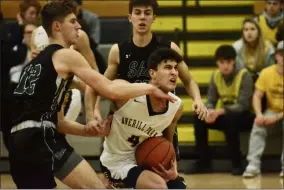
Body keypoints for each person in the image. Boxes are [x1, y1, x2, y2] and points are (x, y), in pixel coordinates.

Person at [8, 0, 175, 188]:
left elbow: (60, 123)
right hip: (40, 137)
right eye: (72, 21)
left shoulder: (35, 65)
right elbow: (109, 89)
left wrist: (89, 131)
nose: (79, 25)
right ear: (57, 27)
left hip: (17, 142)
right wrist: (151, 88)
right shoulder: (65, 55)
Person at [93, 0, 207, 163]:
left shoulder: (169, 48)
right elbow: (102, 85)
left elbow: (188, 80)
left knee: (164, 173)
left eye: (147, 13)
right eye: (137, 13)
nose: (142, 18)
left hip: (158, 122)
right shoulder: (118, 50)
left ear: (154, 18)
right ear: (129, 17)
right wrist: (96, 110)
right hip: (127, 123)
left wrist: (198, 100)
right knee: (116, 178)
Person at [98, 48, 186, 189]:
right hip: (117, 162)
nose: (174, 72)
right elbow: (95, 87)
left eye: (176, 68)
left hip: (147, 162)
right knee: (158, 186)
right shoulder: (128, 94)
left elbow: (168, 141)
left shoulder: (177, 106)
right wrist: (93, 116)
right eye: (168, 67)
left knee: (178, 187)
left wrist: (172, 168)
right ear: (152, 73)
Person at [185, 45, 255, 175]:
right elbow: (211, 100)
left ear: (234, 61)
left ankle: (237, 163)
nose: (225, 66)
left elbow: (243, 105)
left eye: (228, 62)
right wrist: (209, 111)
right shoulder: (216, 75)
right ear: (217, 62)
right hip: (226, 114)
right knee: (199, 117)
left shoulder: (245, 75)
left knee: (231, 119)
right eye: (222, 62)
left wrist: (220, 111)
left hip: (247, 116)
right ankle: (203, 162)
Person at [30, 0, 99, 122]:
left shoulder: (78, 34)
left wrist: (95, 109)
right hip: (42, 92)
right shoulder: (36, 33)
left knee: (55, 131)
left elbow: (94, 71)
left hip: (68, 91)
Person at [243, 41, 284, 178]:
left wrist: (277, 117)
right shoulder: (267, 73)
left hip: (281, 114)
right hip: (272, 110)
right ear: (276, 56)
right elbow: (257, 96)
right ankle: (253, 165)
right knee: (258, 124)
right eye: (281, 54)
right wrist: (259, 114)